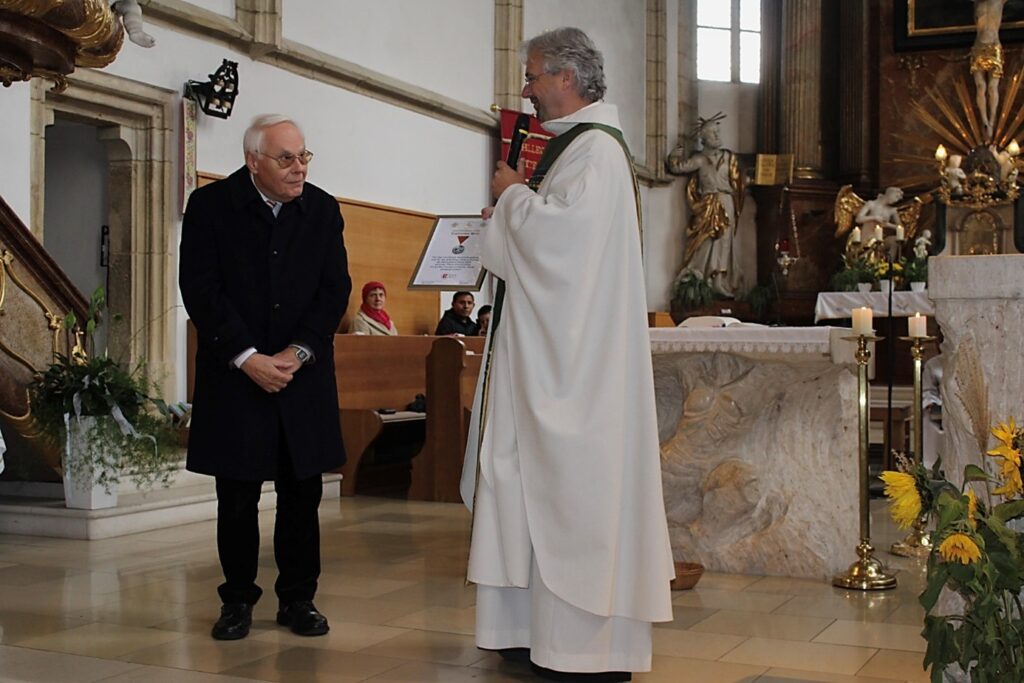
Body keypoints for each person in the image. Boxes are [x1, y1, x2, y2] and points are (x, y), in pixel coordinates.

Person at [461, 27, 674, 682]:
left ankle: (583, 649)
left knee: (569, 497)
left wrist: (511, 195)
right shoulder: (576, 151)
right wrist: (518, 202)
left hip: (573, 373)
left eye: (532, 76)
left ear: (567, 78)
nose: (525, 90)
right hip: (546, 359)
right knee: (525, 486)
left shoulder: (595, 156)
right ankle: (527, 633)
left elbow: (563, 250)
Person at [179, 114, 351, 642]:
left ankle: (299, 599)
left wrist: (297, 352)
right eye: (286, 158)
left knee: (302, 496)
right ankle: (236, 601)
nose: (299, 168)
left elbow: (334, 288)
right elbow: (200, 288)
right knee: (237, 497)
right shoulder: (210, 207)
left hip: (301, 374)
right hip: (236, 375)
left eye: (304, 156)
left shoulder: (322, 209)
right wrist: (247, 356)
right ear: (253, 160)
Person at [665, 113, 744, 298]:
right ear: (704, 140)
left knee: (725, 241)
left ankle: (719, 280)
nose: (717, 136)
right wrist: (673, 158)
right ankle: (700, 278)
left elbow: (740, 180)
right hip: (707, 203)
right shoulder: (699, 159)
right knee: (706, 241)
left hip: (726, 201)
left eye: (717, 132)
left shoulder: (729, 157)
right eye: (712, 134)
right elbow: (678, 168)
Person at [971, 0, 1008, 141]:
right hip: (978, 47)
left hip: (994, 47)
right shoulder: (977, 2)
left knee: (992, 87)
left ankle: (992, 121)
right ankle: (984, 121)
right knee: (980, 86)